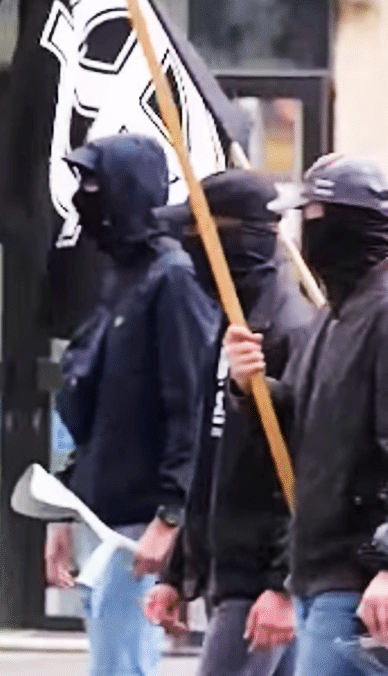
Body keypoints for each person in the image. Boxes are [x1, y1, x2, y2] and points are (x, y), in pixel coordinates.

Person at [225, 154, 388, 676]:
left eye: (312, 216)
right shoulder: (332, 318)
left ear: (347, 223)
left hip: (362, 578)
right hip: (316, 571)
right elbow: (308, 424)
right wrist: (251, 386)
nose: (305, 233)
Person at [45, 133, 220, 676]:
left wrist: (170, 517)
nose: (84, 195)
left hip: (139, 522)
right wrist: (66, 509)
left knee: (122, 667)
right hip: (102, 516)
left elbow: (192, 405)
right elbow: (95, 410)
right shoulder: (120, 277)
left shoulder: (174, 278)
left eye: (96, 183)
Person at [143, 170, 313, 676]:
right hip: (231, 576)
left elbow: (309, 471)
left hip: (260, 584)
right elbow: (212, 455)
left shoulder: (290, 332)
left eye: (198, 232)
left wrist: (282, 583)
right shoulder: (231, 327)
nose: (188, 246)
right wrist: (178, 571)